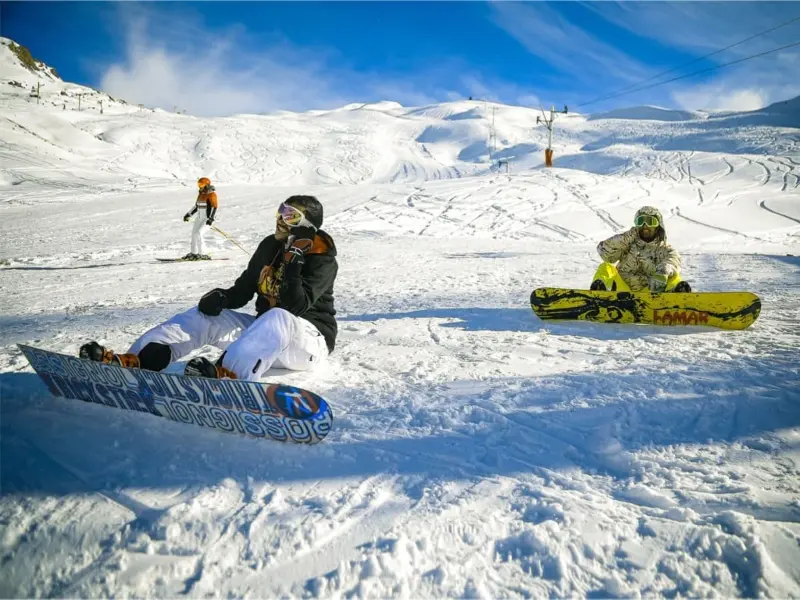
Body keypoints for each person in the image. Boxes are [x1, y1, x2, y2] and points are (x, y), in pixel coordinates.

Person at [79, 195, 338, 381]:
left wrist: (294, 263)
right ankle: (137, 361)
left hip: (308, 344)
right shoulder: (270, 246)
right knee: (206, 317)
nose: (280, 220)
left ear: (307, 226)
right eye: (281, 211)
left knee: (278, 317)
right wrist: (223, 297)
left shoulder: (322, 259)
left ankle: (229, 377)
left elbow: (294, 308)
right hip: (265, 339)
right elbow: (245, 289)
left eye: (290, 216)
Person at [590, 206, 692, 293]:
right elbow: (605, 253)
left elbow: (673, 261)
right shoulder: (628, 243)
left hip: (652, 294)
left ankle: (677, 298)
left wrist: (663, 272)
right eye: (641, 221)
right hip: (621, 293)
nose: (645, 226)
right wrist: (627, 237)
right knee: (605, 267)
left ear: (658, 226)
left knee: (674, 276)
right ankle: (601, 295)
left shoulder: (666, 250)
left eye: (650, 222)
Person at [182, 177, 219, 261]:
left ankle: (203, 254)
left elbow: (214, 207)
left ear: (207, 185)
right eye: (199, 184)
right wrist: (188, 214)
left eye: (201, 184)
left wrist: (211, 218)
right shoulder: (201, 194)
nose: (200, 186)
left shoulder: (212, 194)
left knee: (199, 233)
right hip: (199, 218)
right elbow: (196, 206)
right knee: (194, 234)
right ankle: (193, 253)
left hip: (207, 219)